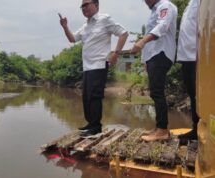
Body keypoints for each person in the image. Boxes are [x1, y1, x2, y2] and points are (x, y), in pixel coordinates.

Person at [58, 0, 128, 137]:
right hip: (87, 66)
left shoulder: (105, 19)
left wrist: (116, 53)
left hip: (99, 64)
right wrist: (65, 27)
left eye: (86, 4)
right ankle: (91, 123)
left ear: (96, 5)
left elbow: (123, 33)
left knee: (95, 96)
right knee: (86, 97)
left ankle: (96, 127)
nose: (84, 8)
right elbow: (72, 39)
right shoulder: (85, 26)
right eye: (82, 6)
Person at [131, 0, 177, 141]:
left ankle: (162, 130)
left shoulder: (165, 6)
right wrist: (145, 60)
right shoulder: (154, 11)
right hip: (153, 56)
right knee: (154, 91)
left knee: (157, 91)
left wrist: (142, 41)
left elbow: (162, 26)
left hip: (161, 53)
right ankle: (159, 127)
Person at [176, 0, 199, 141]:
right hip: (187, 58)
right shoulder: (190, 4)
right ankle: (196, 129)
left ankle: (202, 131)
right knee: (193, 95)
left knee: (200, 96)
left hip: (198, 57)